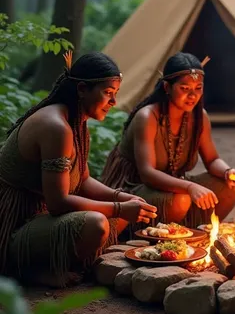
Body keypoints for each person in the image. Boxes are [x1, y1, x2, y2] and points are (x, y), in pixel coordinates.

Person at [0, 51, 157, 287]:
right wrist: (118, 207)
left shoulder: (76, 123)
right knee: (97, 223)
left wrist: (122, 198)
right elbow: (58, 203)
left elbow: (82, 180)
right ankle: (26, 268)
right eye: (108, 93)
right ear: (82, 89)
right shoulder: (56, 127)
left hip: (42, 218)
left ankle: (60, 259)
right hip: (15, 225)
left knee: (121, 215)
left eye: (115, 94)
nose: (113, 102)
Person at [101, 52, 235, 227]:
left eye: (198, 88)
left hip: (173, 185)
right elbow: (147, 174)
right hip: (134, 189)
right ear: (167, 88)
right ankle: (155, 234)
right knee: (180, 200)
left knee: (232, 185)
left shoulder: (200, 117)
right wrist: (189, 187)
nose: (192, 95)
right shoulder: (148, 117)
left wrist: (228, 172)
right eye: (185, 88)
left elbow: (212, 160)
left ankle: (198, 232)